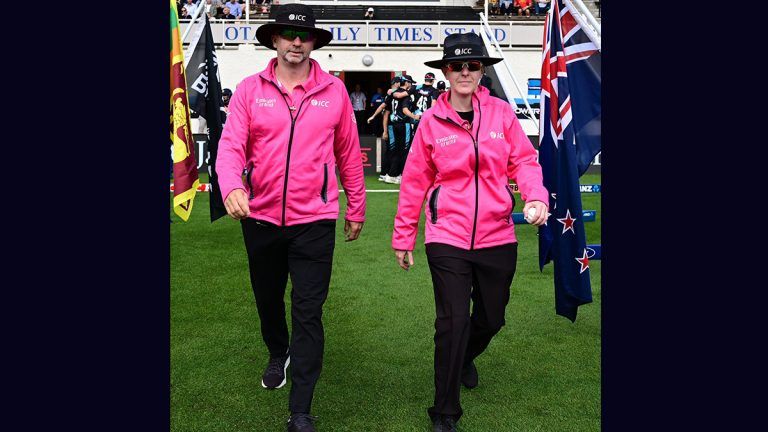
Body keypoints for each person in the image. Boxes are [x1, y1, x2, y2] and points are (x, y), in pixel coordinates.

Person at [215, 4, 366, 432]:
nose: (296, 42)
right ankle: (276, 349)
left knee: (308, 311)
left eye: (303, 36)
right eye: (288, 34)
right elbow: (230, 147)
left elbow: (348, 155)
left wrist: (356, 205)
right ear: (274, 40)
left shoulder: (334, 91)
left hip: (314, 221)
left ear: (314, 41)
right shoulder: (248, 89)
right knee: (268, 299)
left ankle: (301, 409)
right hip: (259, 218)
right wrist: (231, 185)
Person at [391, 32, 549, 432]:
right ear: (445, 71)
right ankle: (445, 412)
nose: (464, 72)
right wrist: (404, 235)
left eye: (472, 65)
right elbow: (414, 181)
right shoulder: (430, 120)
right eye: (457, 65)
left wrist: (535, 196)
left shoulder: (501, 113)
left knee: (491, 318)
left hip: (498, 234)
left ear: (482, 71)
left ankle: (463, 359)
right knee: (453, 321)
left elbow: (525, 162)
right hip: (447, 236)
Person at [382, 75, 419, 184]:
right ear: (406, 83)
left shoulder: (391, 94)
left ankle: (392, 174)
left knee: (396, 150)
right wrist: (414, 116)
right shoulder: (405, 95)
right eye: (410, 83)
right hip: (404, 124)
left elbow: (385, 111)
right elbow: (405, 110)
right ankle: (401, 175)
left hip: (393, 125)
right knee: (405, 150)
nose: (411, 85)